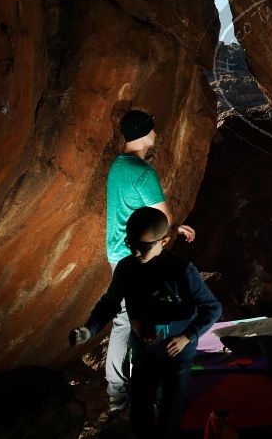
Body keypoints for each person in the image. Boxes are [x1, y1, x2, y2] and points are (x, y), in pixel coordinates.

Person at [71, 207, 221, 438]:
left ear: (165, 241)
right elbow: (110, 303)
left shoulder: (181, 272)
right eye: (131, 244)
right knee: (139, 413)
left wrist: (187, 336)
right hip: (144, 352)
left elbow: (212, 307)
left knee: (170, 414)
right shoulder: (126, 268)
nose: (136, 252)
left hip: (176, 354)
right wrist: (89, 329)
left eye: (144, 246)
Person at [103, 110, 196, 413]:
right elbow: (163, 217)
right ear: (144, 134)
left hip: (117, 252)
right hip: (140, 257)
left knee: (121, 325)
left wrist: (174, 226)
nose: (156, 133)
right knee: (148, 322)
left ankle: (116, 393)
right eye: (153, 129)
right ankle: (146, 393)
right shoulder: (144, 173)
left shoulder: (118, 166)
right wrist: (175, 226)